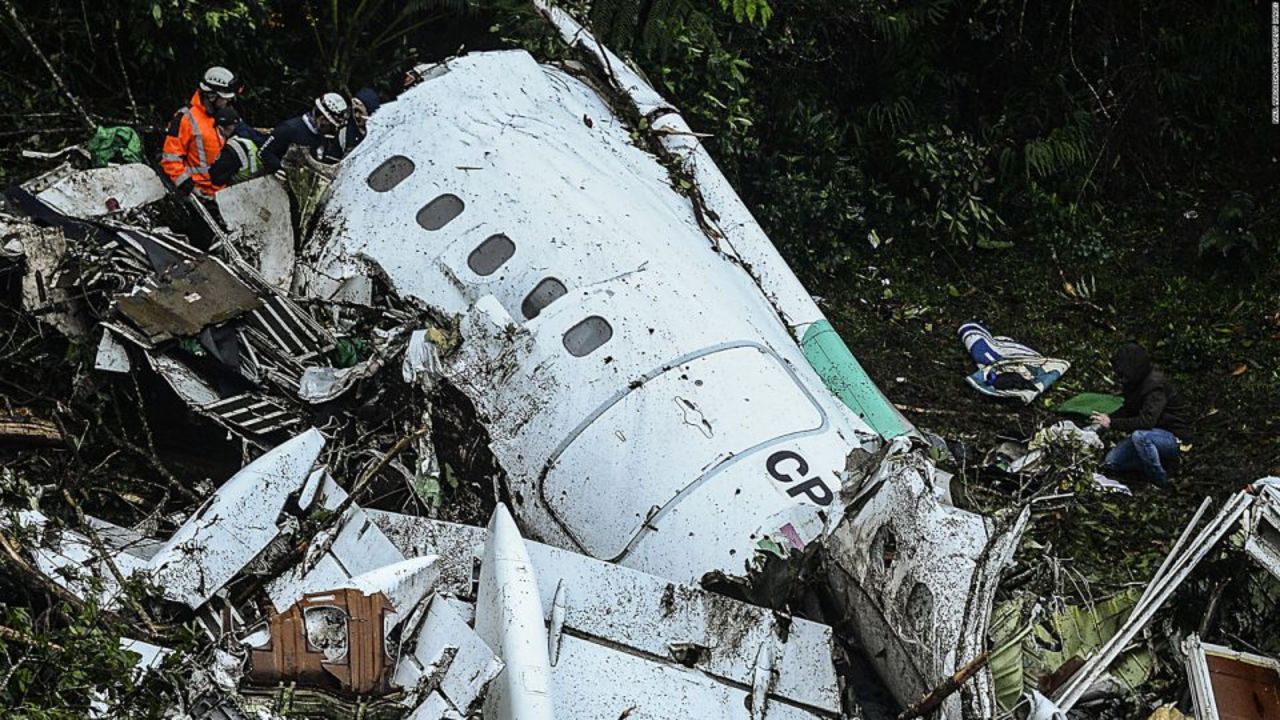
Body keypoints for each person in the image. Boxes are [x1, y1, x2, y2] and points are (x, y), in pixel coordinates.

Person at [1091, 342, 1193, 486]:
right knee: (1111, 461)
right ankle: (1153, 463)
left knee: (1140, 436)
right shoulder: (1134, 383)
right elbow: (1128, 409)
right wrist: (1105, 419)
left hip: (1172, 437)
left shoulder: (1155, 387)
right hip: (1152, 435)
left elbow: (1146, 422)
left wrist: (1112, 423)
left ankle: (1161, 479)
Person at [161, 66, 237, 197]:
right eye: (225, 98)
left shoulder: (221, 116)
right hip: (198, 192)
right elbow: (170, 160)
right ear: (212, 96)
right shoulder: (185, 119)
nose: (228, 101)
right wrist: (188, 187)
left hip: (222, 192)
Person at [259, 93, 349, 173]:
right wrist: (281, 169)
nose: (331, 130)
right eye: (331, 126)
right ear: (322, 119)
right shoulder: (289, 129)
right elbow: (264, 152)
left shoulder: (322, 139)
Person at [208, 107, 263, 186]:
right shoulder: (254, 135)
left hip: (242, 189)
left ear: (220, 129)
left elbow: (216, 177)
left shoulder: (233, 147)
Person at [331, 88, 380, 159]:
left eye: (360, 112)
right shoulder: (344, 135)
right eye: (355, 111)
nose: (356, 115)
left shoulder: (380, 132)